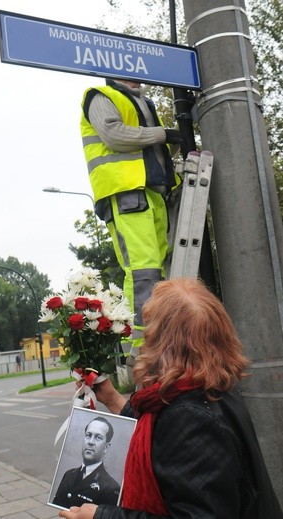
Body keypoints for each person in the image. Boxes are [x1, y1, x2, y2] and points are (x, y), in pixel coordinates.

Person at [59, 278, 283, 519]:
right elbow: (160, 431)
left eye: (149, 332)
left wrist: (101, 516)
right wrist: (112, 398)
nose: (144, 342)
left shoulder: (192, 419)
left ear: (163, 343)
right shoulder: (204, 391)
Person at [80, 78, 185, 348]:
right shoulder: (100, 96)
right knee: (143, 268)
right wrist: (163, 134)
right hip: (127, 191)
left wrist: (169, 140)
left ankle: (157, 335)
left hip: (154, 191)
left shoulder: (143, 103)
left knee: (157, 266)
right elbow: (114, 136)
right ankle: (145, 344)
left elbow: (151, 146)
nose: (138, 76)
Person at [53, 416, 120, 509]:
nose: (91, 442)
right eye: (88, 435)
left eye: (98, 437)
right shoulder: (68, 474)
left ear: (106, 447)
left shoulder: (111, 488)